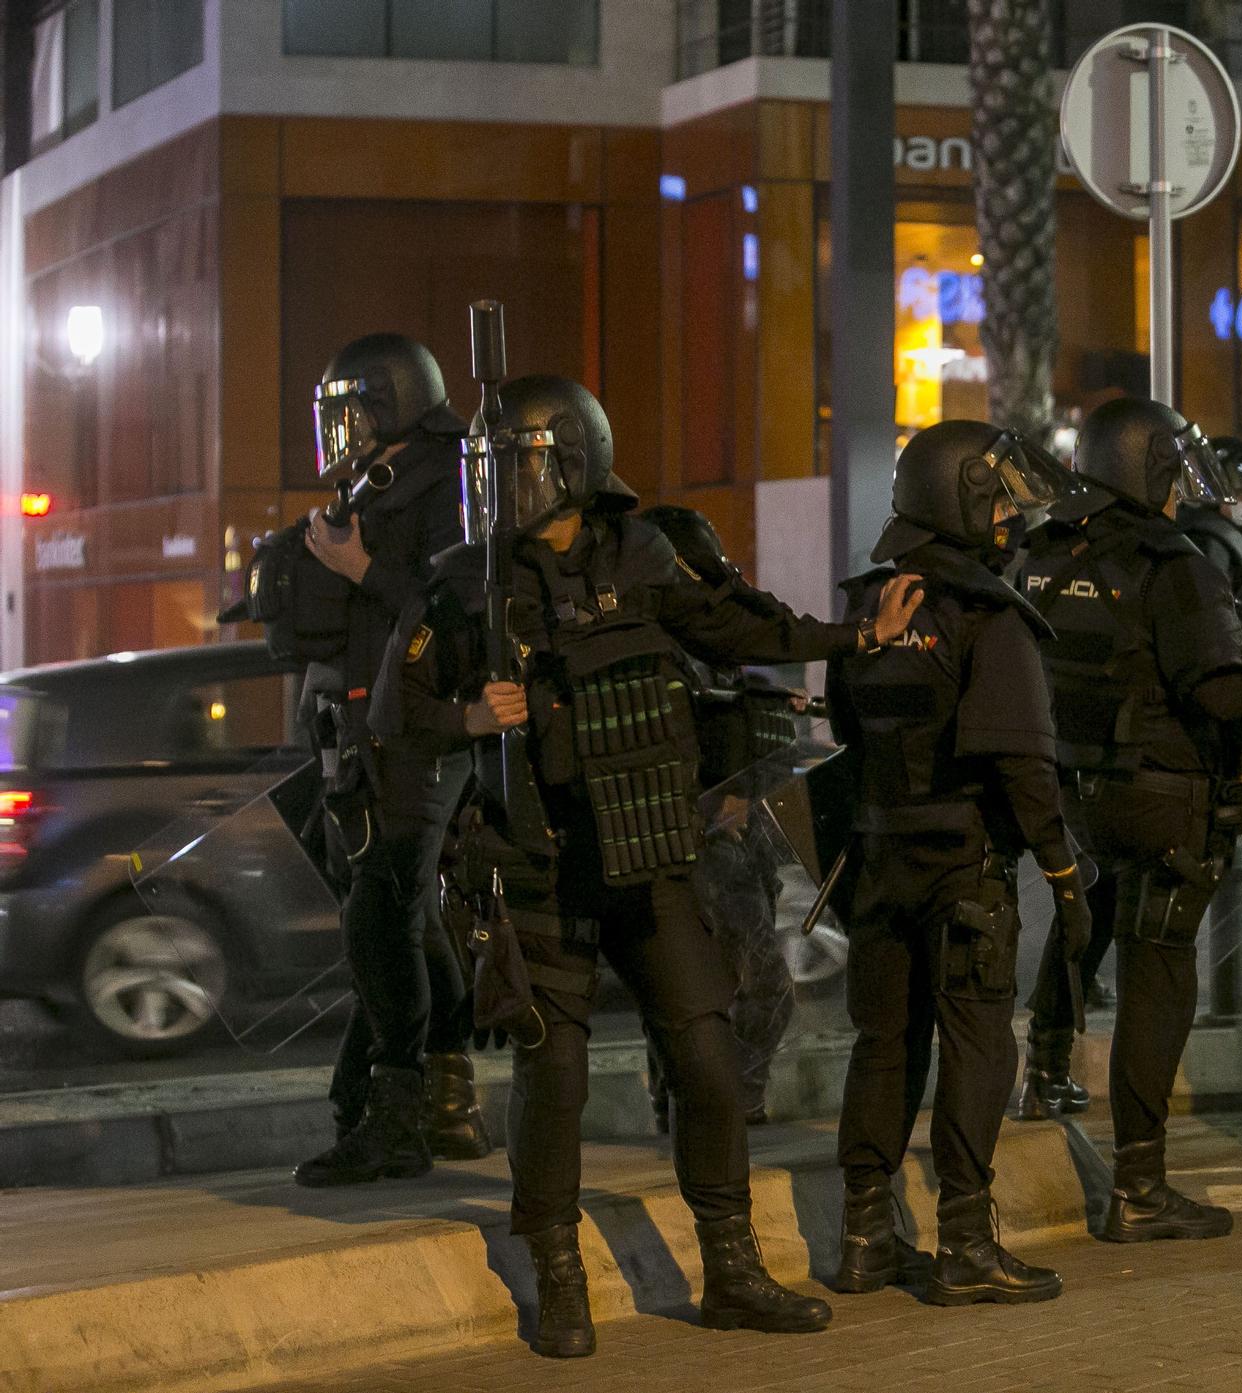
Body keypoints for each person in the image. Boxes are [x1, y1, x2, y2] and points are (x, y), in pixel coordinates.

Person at [376, 374, 921, 1358]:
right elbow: (393, 720)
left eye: (520, 463)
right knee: (557, 1081)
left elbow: (741, 628)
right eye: (489, 465)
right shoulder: (462, 582)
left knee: (710, 1067)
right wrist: (466, 716)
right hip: (538, 868)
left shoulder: (638, 552)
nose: (501, 483)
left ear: (572, 465)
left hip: (647, 857)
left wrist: (857, 636)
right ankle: (557, 1272)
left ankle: (732, 1272)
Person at [1019, 396, 1242, 1242]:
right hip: (1163, 796)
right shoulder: (1173, 561)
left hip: (1078, 791)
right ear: (1149, 469)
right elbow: (1222, 691)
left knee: (1095, 932)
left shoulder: (1042, 550)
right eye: (1174, 471)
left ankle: (1047, 1062)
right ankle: (1139, 1183)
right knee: (1159, 978)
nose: (1182, 490)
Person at [827, 420, 1091, 1306]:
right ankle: (967, 1244)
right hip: (964, 871)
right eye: (1001, 496)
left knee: (885, 1044)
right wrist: (1061, 870)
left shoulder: (874, 602)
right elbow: (1024, 763)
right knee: (980, 1047)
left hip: (878, 860)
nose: (1013, 515)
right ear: (963, 496)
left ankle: (865, 1234)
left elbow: (844, 730)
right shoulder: (988, 613)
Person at [286, 332, 491, 1187]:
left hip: (428, 731)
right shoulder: (372, 481)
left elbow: (457, 608)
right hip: (366, 733)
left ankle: (391, 1114)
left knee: (383, 917)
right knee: (402, 917)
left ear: (393, 403)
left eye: (356, 411)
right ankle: (442, 1099)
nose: (344, 430)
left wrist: (358, 562)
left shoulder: (448, 477)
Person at [637, 503, 806, 1132]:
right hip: (693, 840)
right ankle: (715, 1101)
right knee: (747, 988)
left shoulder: (711, 637)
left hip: (734, 836)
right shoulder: (653, 645)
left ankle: (709, 1101)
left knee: (727, 990)